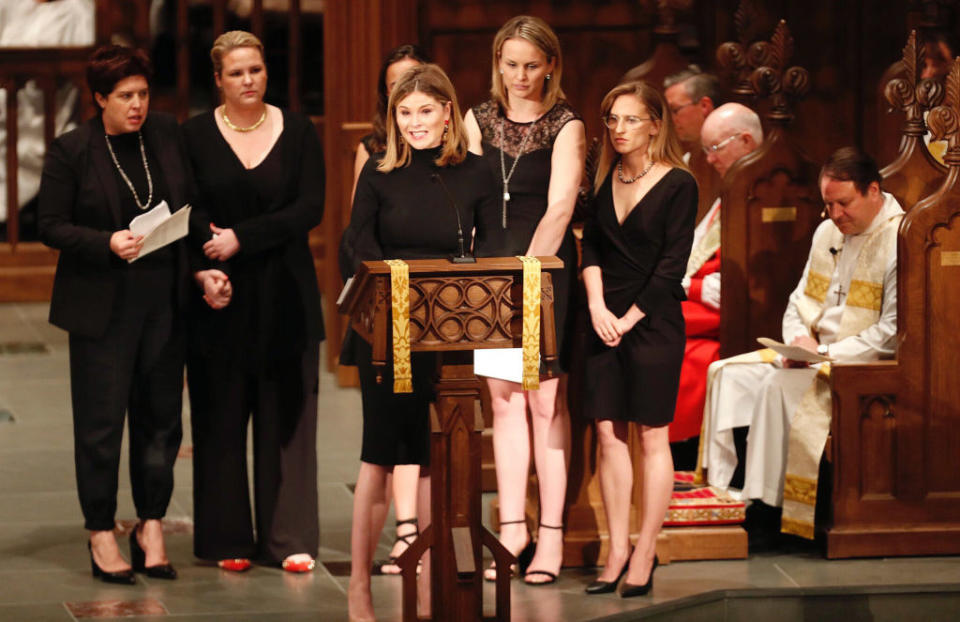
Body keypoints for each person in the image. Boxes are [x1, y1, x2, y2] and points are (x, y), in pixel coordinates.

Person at [340, 62, 497, 622]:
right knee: (382, 456)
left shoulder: (476, 175)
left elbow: (492, 254)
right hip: (386, 335)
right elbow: (353, 247)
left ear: (448, 112)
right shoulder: (380, 176)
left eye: (425, 111)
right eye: (404, 113)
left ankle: (431, 583)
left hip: (448, 336)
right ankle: (359, 586)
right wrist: (386, 293)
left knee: (435, 459)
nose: (414, 123)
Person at [37, 44, 189, 584]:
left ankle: (150, 523)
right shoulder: (72, 149)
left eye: (144, 93)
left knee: (161, 422)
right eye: (125, 96)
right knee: (102, 426)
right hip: (103, 304)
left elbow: (191, 202)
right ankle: (100, 530)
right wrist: (107, 241)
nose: (137, 105)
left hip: (162, 302)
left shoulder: (166, 134)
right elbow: (49, 225)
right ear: (99, 97)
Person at [699, 147, 902, 538]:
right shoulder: (828, 231)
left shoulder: (900, 237)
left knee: (777, 386)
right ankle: (723, 497)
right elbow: (799, 300)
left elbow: (891, 332)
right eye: (829, 204)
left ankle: (770, 511)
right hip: (812, 353)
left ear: (873, 191)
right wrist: (797, 337)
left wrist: (823, 354)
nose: (835, 215)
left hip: (856, 365)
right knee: (725, 373)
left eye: (844, 203)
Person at [181, 30, 325, 574]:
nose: (249, 80)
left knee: (287, 417)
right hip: (221, 295)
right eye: (237, 72)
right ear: (217, 79)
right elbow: (184, 207)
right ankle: (226, 536)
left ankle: (288, 538)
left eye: (256, 70)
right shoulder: (192, 135)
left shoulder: (299, 130)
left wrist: (243, 236)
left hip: (286, 291)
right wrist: (205, 265)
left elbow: (308, 208)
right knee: (219, 417)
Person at [464, 14, 585, 586]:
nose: (520, 75)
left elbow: (560, 206)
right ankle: (512, 529)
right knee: (504, 403)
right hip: (490, 279)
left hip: (542, 276)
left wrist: (527, 275)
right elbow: (464, 193)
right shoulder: (477, 118)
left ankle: (551, 536)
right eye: (510, 64)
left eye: (531, 65)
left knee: (545, 404)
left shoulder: (566, 124)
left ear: (551, 66)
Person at [581, 80, 697, 597]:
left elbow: (673, 268)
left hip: (652, 322)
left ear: (655, 123)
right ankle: (617, 546)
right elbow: (590, 252)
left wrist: (627, 318)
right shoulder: (603, 179)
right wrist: (597, 307)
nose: (619, 129)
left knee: (651, 435)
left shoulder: (679, 184)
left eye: (630, 119)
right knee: (607, 433)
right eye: (612, 120)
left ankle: (645, 550)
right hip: (603, 317)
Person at [347, 43, 429, 576]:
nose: (409, 99)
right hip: (384, 312)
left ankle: (430, 532)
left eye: (418, 88)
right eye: (397, 91)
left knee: (434, 432)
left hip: (442, 317)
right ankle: (394, 540)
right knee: (384, 436)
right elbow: (358, 238)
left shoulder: (458, 163)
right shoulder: (375, 157)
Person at [670, 103, 763, 457]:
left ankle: (683, 456)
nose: (708, 159)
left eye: (715, 148)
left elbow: (738, 286)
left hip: (736, 319)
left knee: (677, 347)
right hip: (705, 307)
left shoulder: (766, 196)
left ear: (746, 140)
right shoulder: (732, 193)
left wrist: (685, 286)